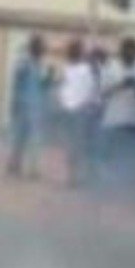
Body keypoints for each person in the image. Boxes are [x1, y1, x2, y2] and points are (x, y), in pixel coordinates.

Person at [98, 37, 135, 192]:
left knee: (130, 158)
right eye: (127, 51)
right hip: (113, 120)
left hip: (133, 121)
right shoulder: (110, 67)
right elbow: (103, 93)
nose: (130, 54)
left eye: (133, 51)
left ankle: (129, 191)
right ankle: (110, 189)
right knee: (110, 157)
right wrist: (121, 85)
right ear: (121, 51)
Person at [6, 34, 53, 179]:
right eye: (40, 48)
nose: (42, 51)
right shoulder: (24, 62)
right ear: (34, 48)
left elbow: (42, 85)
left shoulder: (39, 64)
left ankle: (33, 170)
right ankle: (14, 165)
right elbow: (17, 82)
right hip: (23, 105)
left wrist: (49, 78)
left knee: (35, 138)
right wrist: (14, 102)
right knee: (19, 138)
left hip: (36, 107)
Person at [56, 39, 97, 187]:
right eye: (71, 50)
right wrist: (62, 104)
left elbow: (90, 90)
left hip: (80, 112)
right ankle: (71, 176)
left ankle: (77, 176)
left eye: (75, 50)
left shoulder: (85, 70)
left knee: (78, 145)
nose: (72, 53)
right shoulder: (66, 69)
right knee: (69, 145)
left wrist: (87, 106)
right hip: (68, 111)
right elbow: (61, 88)